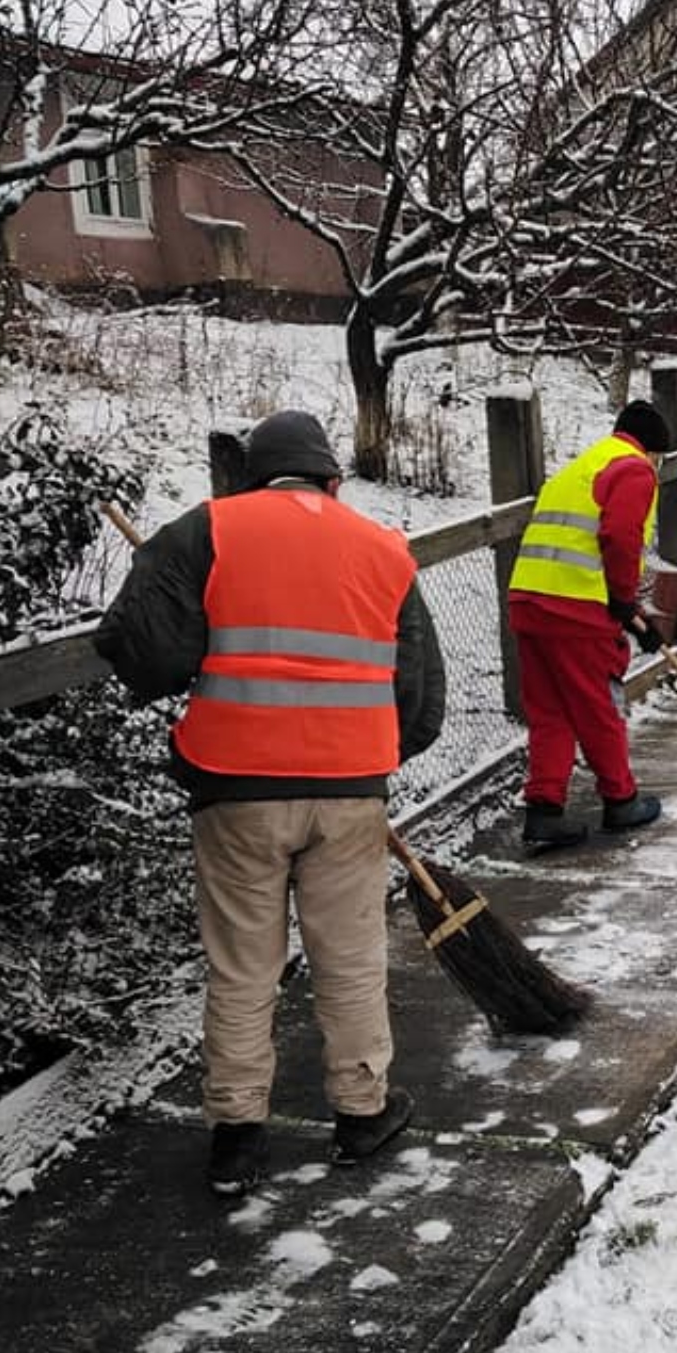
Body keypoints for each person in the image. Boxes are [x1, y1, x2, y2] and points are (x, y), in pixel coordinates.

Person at [99, 412, 448, 1197]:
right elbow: (420, 699)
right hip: (350, 795)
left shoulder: (204, 531)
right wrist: (368, 759)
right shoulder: (384, 548)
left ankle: (236, 1139)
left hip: (234, 790)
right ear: (332, 479)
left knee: (243, 966)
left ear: (252, 477)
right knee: (351, 958)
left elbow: (139, 649)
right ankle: (362, 1112)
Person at [508, 400, 671, 848]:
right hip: (575, 607)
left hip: (529, 599)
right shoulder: (635, 470)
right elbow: (620, 537)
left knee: (550, 711)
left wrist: (632, 616)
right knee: (599, 704)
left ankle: (545, 809)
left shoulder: (580, 467)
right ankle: (621, 799)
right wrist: (622, 602)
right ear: (654, 450)